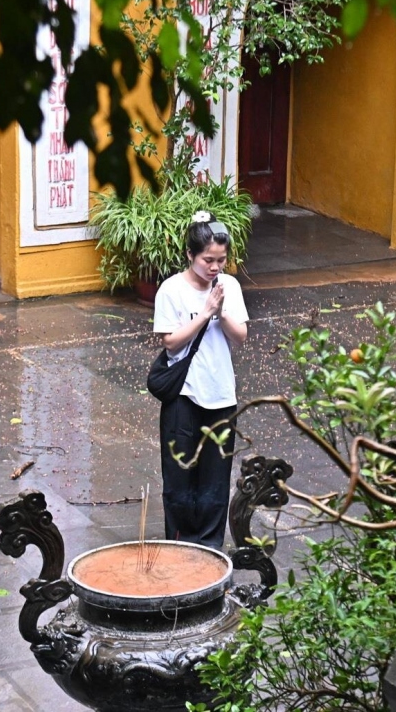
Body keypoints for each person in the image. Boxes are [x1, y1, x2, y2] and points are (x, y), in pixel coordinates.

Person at [152, 211, 249, 550]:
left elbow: (240, 336)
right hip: (184, 396)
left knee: (215, 479)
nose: (215, 267)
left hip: (220, 394)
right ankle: (180, 545)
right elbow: (170, 342)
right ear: (191, 255)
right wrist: (205, 313)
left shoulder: (229, 287)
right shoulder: (171, 290)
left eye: (221, 260)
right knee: (179, 478)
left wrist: (221, 311)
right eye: (208, 260)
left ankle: (209, 547)